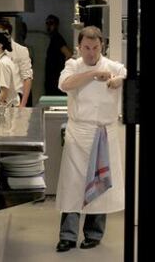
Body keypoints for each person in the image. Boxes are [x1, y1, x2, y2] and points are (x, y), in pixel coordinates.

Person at [55, 26, 126, 252]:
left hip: (105, 132)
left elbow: (128, 73)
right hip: (79, 133)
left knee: (100, 183)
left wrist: (119, 81)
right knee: (73, 186)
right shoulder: (73, 65)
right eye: (87, 48)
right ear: (79, 47)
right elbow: (65, 84)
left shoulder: (112, 66)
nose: (91, 53)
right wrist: (92, 75)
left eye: (96, 48)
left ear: (102, 46)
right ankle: (68, 235)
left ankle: (94, 233)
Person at [0, 17, 33, 107]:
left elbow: (27, 78)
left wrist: (22, 106)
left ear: (6, 32)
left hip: (13, 100)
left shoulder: (21, 50)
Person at [44, 14, 73, 96]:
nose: (49, 26)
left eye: (51, 23)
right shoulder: (53, 38)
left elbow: (68, 54)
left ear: (56, 25)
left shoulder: (57, 38)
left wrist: (65, 70)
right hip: (52, 78)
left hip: (55, 78)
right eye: (47, 23)